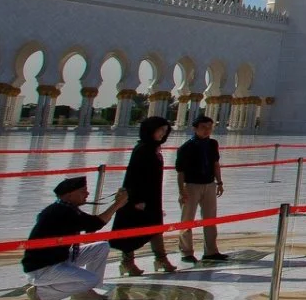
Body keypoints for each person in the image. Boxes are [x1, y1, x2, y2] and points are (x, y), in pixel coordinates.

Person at [22, 176, 126, 300]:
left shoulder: (65, 208)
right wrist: (118, 204)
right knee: (91, 279)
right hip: (43, 268)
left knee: (101, 247)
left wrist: (117, 204)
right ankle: (41, 294)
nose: (87, 194)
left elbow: (92, 225)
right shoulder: (62, 212)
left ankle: (86, 291)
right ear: (69, 195)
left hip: (59, 258)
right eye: (83, 191)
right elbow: (96, 223)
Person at [109, 116, 178, 276]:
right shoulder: (142, 149)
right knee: (132, 229)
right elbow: (134, 177)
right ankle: (127, 262)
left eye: (165, 131)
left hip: (152, 196)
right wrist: (137, 200)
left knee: (156, 228)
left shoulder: (154, 148)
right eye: (160, 130)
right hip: (138, 198)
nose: (162, 134)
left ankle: (161, 259)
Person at [173, 116, 226, 264]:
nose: (207, 130)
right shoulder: (186, 148)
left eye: (209, 127)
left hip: (209, 185)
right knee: (187, 220)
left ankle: (211, 251)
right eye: (203, 127)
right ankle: (186, 252)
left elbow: (215, 164)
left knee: (210, 219)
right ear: (195, 128)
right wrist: (181, 190)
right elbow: (181, 172)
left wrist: (219, 182)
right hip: (191, 185)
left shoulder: (212, 144)